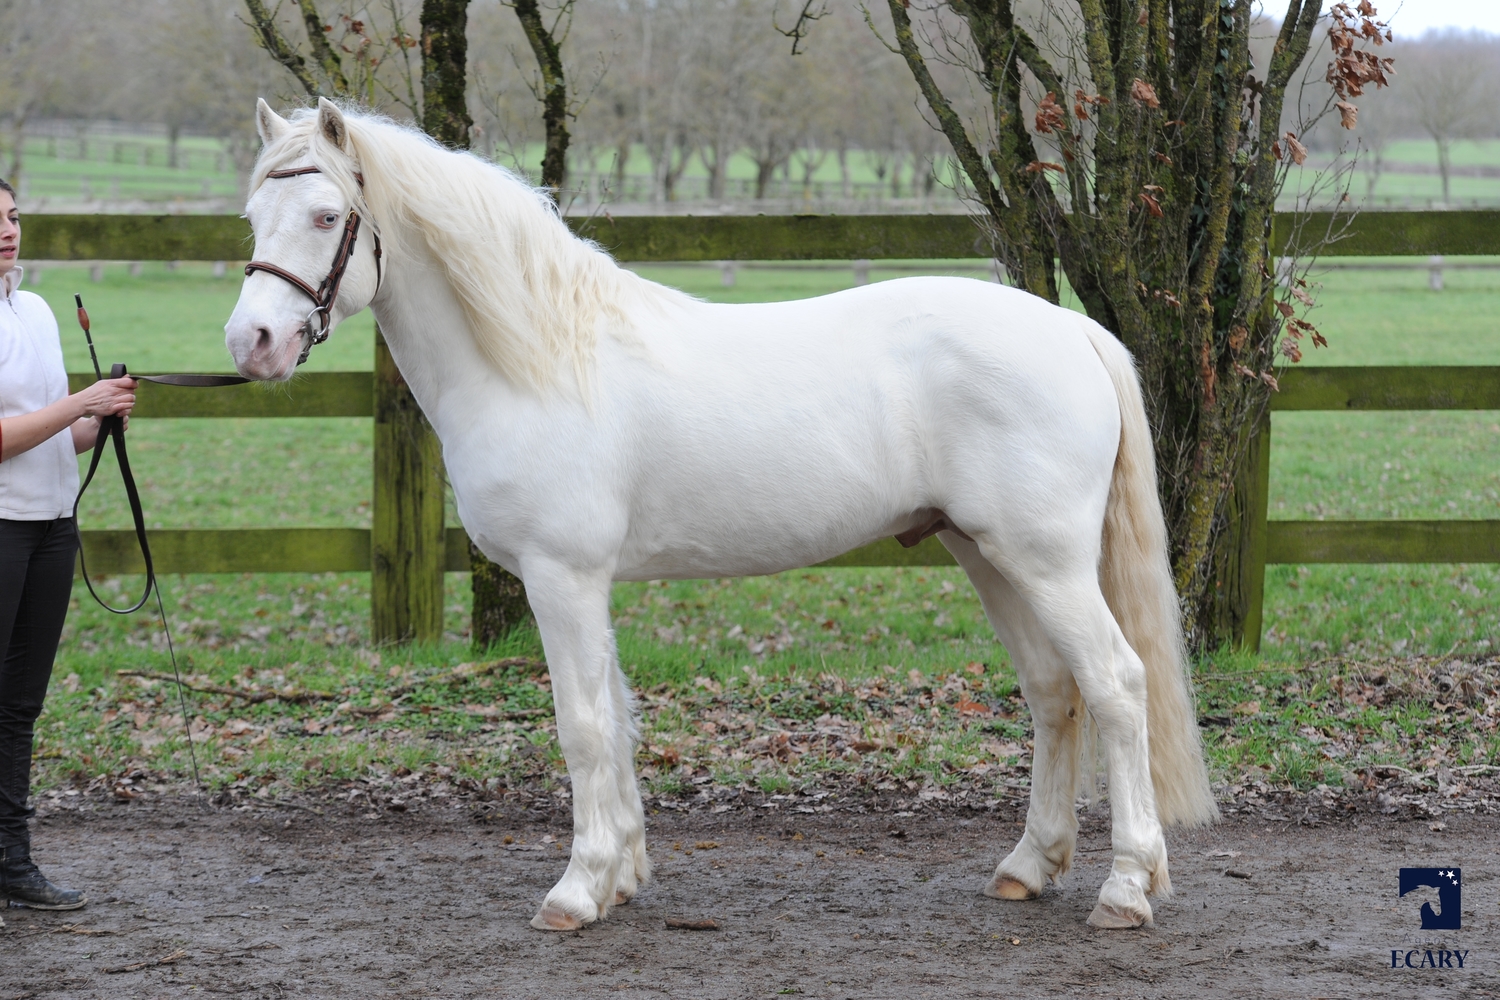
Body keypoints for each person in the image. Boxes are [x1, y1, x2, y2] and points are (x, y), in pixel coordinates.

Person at [0, 178, 136, 910]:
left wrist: (100, 418)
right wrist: (74, 403)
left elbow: (55, 434)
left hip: (52, 528)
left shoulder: (39, 309)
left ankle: (12, 864)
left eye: (13, 216)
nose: (8, 231)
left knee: (19, 706)